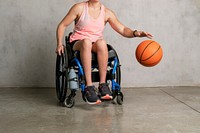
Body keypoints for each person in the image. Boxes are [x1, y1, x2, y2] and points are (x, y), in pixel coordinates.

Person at [56, 0, 153, 105]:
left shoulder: (106, 13)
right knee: (87, 42)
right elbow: (62, 25)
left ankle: (103, 84)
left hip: (94, 44)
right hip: (78, 43)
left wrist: (136, 33)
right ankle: (89, 86)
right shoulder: (79, 8)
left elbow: (123, 29)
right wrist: (59, 44)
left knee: (102, 43)